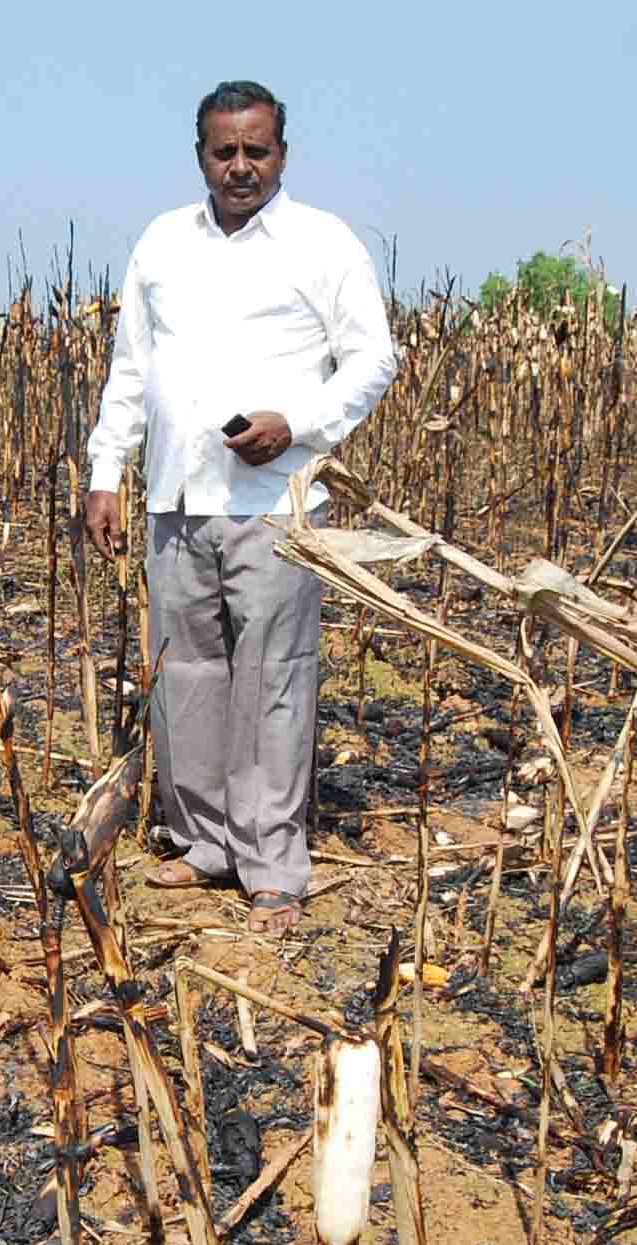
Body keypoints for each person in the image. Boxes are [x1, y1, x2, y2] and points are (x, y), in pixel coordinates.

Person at [83, 80, 399, 936]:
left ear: (282, 154)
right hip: (176, 496)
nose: (240, 166)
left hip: (278, 501)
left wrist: (296, 424)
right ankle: (204, 842)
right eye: (225, 151)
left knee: (274, 682)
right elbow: (132, 369)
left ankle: (272, 866)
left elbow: (373, 361)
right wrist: (106, 470)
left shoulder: (321, 244)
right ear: (200, 156)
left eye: (256, 150)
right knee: (185, 677)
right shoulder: (161, 243)